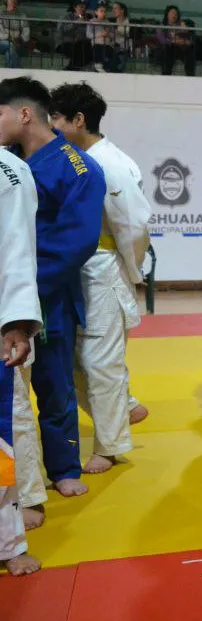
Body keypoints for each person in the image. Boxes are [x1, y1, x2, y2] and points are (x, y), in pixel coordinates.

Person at [0, 77, 105, 526]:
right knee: (13, 394)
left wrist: (25, 289)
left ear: (24, 114)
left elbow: (77, 240)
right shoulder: (13, 163)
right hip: (11, 286)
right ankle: (22, 478)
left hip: (47, 289)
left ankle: (63, 467)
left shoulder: (77, 166)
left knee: (54, 381)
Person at [48, 83, 151, 473]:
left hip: (104, 264)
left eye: (58, 118)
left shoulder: (112, 163)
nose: (53, 126)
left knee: (100, 361)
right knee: (73, 358)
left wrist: (129, 268)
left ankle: (109, 446)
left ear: (78, 120)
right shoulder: (72, 158)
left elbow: (135, 226)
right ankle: (125, 407)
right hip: (78, 269)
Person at [0, 138, 41, 576]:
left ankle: (8, 543)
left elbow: (15, 248)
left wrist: (15, 322)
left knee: (1, 435)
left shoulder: (7, 171)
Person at [157, 6, 197, 77]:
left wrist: (186, 40)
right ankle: (166, 75)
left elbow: (189, 37)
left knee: (190, 51)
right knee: (168, 50)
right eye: (172, 13)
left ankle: (190, 75)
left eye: (176, 13)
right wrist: (173, 41)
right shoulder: (162, 26)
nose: (174, 15)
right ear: (167, 14)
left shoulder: (182, 25)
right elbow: (162, 39)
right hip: (168, 49)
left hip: (181, 48)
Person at [0, 0, 29, 69]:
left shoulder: (22, 15)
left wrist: (17, 39)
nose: (14, 0)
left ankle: (9, 74)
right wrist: (10, 38)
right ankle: (18, 72)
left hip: (17, 44)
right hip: (2, 43)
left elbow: (26, 34)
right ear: (5, 0)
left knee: (9, 52)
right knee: (11, 46)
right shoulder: (0, 14)